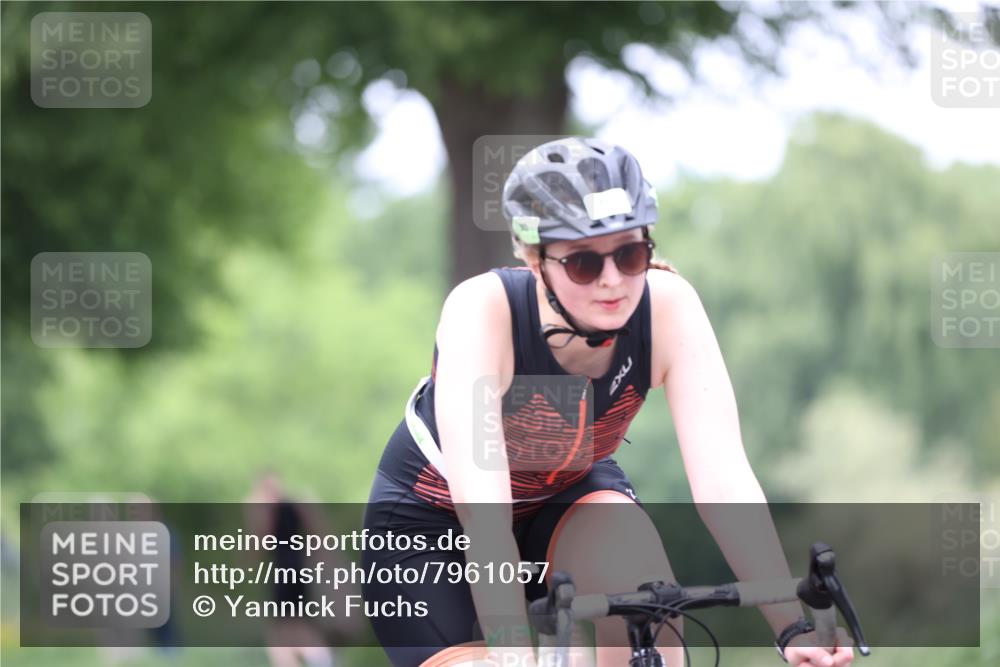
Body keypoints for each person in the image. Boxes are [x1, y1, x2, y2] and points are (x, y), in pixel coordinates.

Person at [361, 137, 854, 667]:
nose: (612, 282)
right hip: (435, 524)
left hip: (567, 496)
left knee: (645, 590)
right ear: (533, 257)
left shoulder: (668, 306)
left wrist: (793, 627)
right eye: (582, 264)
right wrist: (512, 655)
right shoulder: (482, 312)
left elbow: (724, 481)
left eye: (630, 253)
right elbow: (485, 519)